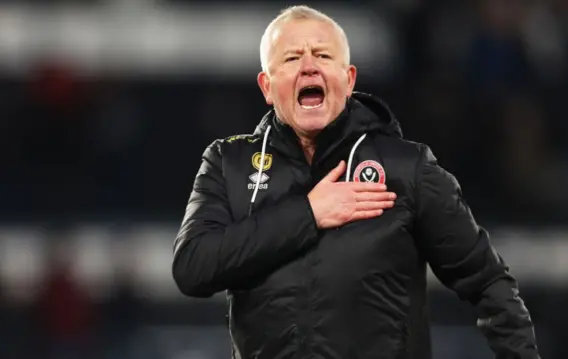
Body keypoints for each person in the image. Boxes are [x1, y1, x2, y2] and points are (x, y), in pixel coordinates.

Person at [172, 5, 540, 359]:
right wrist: (309, 212)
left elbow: (487, 279)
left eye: (323, 55)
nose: (309, 67)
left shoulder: (404, 168)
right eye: (291, 58)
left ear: (348, 80)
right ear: (267, 86)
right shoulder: (228, 164)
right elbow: (192, 268)